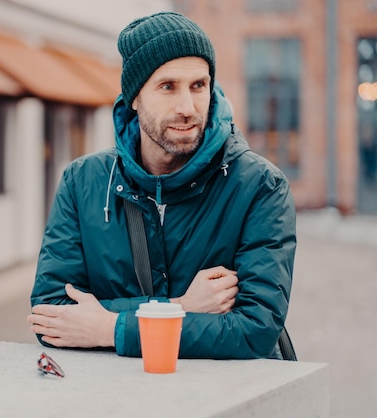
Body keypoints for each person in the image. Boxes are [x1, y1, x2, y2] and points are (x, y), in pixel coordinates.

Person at [27, 11, 296, 359]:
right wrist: (179, 306)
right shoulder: (83, 182)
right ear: (134, 98)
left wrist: (109, 327)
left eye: (198, 85)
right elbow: (52, 316)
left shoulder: (260, 187)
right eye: (168, 87)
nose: (187, 107)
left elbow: (254, 330)